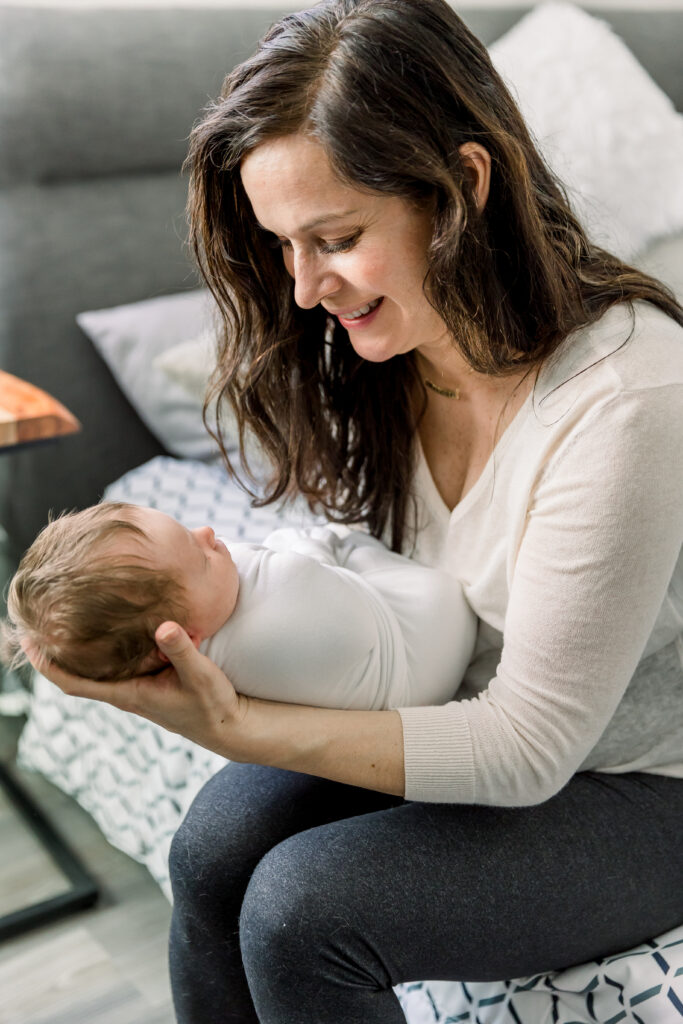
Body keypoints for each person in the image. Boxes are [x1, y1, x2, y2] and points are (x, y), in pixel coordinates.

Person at [23, 0, 683, 1021]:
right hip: (453, 706)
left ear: (464, 184)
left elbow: (524, 748)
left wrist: (239, 727)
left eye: (333, 237)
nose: (300, 287)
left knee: (301, 911)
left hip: (641, 777)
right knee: (213, 848)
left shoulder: (626, 397)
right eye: (283, 244)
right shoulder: (382, 358)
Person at [2, 501, 476, 708]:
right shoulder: (282, 598)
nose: (210, 534)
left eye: (189, 528)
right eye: (200, 557)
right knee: (340, 541)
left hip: (410, 662)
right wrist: (319, 542)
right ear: (181, 640)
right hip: (432, 632)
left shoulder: (186, 655)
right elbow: (307, 548)